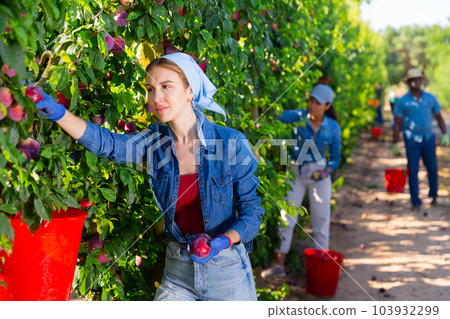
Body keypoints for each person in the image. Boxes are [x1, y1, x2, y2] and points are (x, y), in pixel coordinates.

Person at [34, 52, 265, 300]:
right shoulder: (155, 142)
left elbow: (252, 212)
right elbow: (109, 144)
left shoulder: (230, 142)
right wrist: (59, 114)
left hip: (226, 270)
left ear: (190, 91)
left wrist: (223, 241)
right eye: (150, 89)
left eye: (166, 87)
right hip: (178, 270)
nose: (156, 98)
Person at [261, 84, 341, 279]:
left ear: (328, 106)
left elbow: (336, 156)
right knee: (286, 217)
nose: (312, 106)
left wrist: (326, 171)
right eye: (311, 101)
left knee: (321, 219)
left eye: (318, 103)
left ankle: (320, 265)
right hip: (296, 171)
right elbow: (274, 115)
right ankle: (279, 264)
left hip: (319, 173)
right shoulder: (299, 116)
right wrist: (264, 110)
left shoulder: (333, 127)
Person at [392, 68, 449, 211]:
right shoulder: (403, 101)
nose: (415, 82)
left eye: (418, 79)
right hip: (411, 139)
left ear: (421, 81)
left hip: (428, 138)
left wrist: (445, 134)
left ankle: (433, 195)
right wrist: (395, 143)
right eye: (413, 80)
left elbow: (439, 117)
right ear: (409, 82)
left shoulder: (430, 98)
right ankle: (415, 200)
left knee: (432, 168)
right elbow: (398, 123)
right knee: (413, 169)